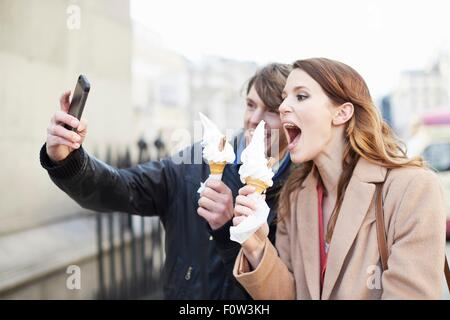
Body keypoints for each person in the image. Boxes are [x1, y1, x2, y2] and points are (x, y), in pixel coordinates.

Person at [39, 63, 292, 299]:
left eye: (271, 110)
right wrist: (67, 159)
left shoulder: (300, 190)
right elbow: (121, 188)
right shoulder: (195, 164)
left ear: (291, 118)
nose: (255, 119)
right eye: (250, 105)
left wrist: (229, 231)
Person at [232, 58, 447, 299]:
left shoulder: (412, 188)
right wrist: (256, 244)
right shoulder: (293, 197)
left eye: (301, 96)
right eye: (284, 97)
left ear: (342, 112)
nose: (282, 107)